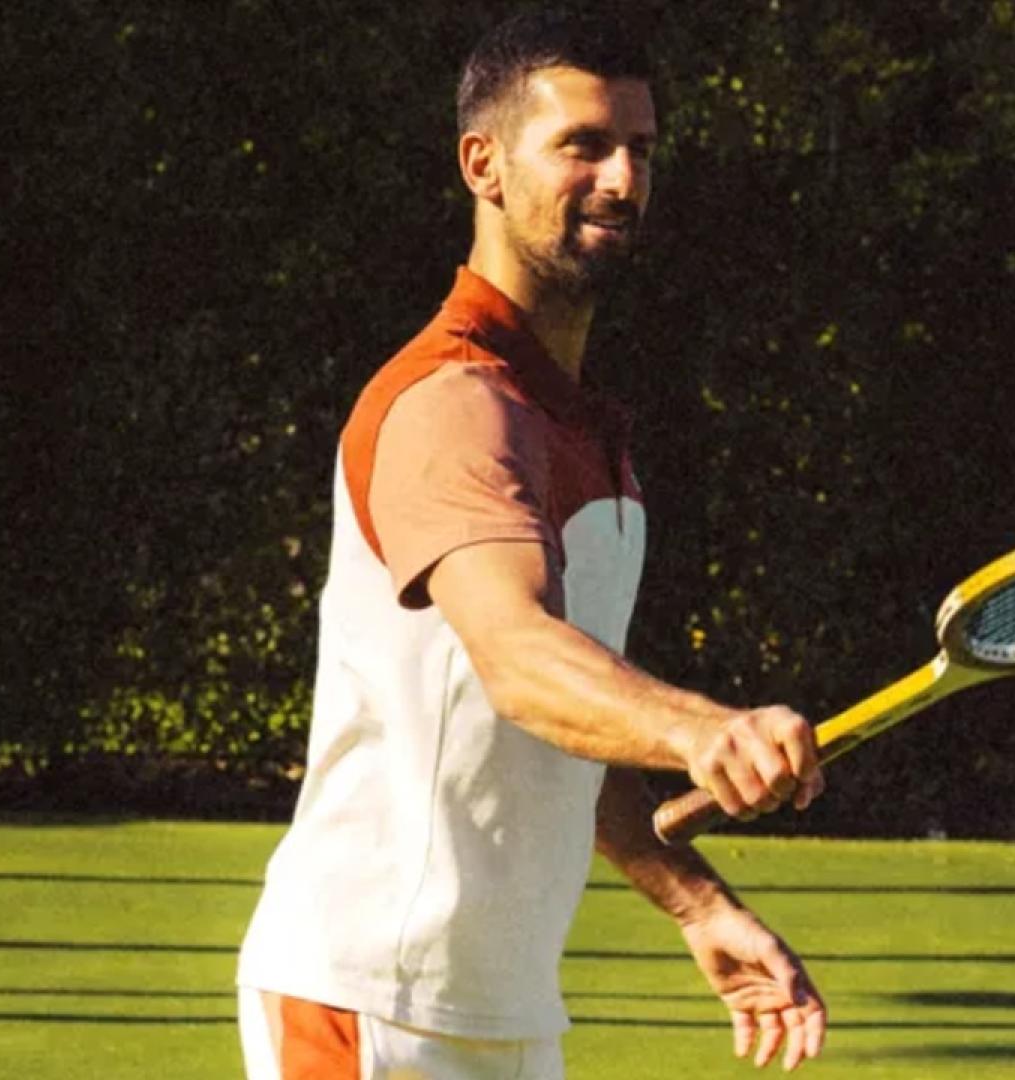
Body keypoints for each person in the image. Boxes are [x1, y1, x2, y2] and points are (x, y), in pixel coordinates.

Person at [236, 11, 827, 1077]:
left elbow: (567, 727)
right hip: (365, 1005)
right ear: (485, 165)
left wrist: (697, 906)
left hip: (510, 1018)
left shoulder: (589, 433)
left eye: (641, 150)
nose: (621, 178)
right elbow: (517, 659)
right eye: (582, 144)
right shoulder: (450, 403)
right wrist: (702, 730)